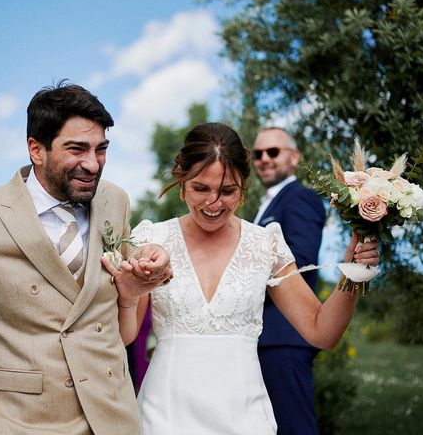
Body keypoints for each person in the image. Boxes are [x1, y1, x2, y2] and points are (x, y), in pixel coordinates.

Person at [0, 81, 172, 435]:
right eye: (77, 149)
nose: (93, 164)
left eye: (101, 149)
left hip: (111, 420)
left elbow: (119, 319)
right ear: (36, 148)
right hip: (16, 422)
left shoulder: (116, 201)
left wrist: (138, 281)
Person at [102, 123, 379, 435]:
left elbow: (322, 332)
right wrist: (128, 295)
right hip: (165, 415)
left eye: (227, 191)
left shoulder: (264, 244)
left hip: (245, 419)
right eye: (201, 188)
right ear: (182, 183)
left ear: (243, 188)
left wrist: (353, 273)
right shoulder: (150, 239)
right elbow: (125, 336)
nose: (213, 203)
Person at [252, 127, 326, 434]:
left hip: (284, 334)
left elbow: (302, 262)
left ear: (294, 157)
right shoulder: (265, 205)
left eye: (273, 152)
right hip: (264, 337)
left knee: (294, 426)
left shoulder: (300, 198)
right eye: (257, 154)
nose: (264, 159)